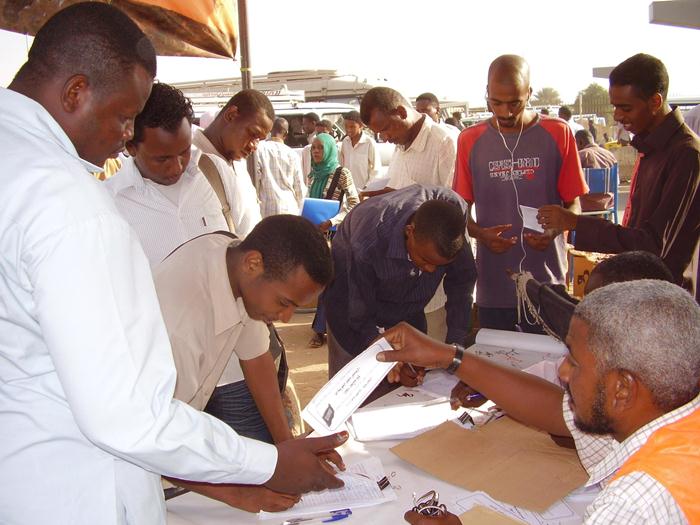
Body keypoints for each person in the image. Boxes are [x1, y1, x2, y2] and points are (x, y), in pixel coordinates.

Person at [0, 4, 346, 524]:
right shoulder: (71, 203)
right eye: (124, 117)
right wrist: (267, 465)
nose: (126, 136)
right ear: (75, 92)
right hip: (76, 490)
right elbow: (128, 415)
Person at [379, 279, 700, 525]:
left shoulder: (634, 505)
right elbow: (553, 409)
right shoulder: (667, 416)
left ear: (623, 389)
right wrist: (449, 356)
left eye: (574, 362)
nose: (562, 371)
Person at [156, 217, 336, 512]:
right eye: (284, 303)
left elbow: (256, 357)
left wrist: (288, 449)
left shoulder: (233, 263)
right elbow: (155, 434)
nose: (287, 318)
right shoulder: (180, 325)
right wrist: (242, 495)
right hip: (125, 462)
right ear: (253, 264)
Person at [538, 54, 700, 288]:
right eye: (615, 107)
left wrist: (575, 223)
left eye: (626, 108)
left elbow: (653, 245)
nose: (617, 116)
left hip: (664, 296)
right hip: (638, 288)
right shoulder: (651, 147)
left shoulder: (686, 154)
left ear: (655, 101)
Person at [453, 54, 587, 333]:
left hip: (547, 284)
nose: (505, 112)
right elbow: (460, 212)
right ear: (487, 93)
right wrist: (481, 235)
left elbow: (574, 206)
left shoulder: (558, 132)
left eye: (515, 102)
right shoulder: (469, 139)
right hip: (494, 287)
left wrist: (554, 231)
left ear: (529, 93)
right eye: (496, 102)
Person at [322, 185, 477, 378]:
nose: (431, 270)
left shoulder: (451, 218)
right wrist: (386, 357)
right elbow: (359, 314)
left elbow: (462, 281)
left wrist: (455, 345)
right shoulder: (368, 241)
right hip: (350, 307)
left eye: (440, 265)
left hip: (408, 308)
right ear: (409, 231)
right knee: (357, 380)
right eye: (425, 260)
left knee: (412, 379)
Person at [106, 82, 227, 267]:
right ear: (130, 147)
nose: (177, 168)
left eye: (184, 152)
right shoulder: (110, 202)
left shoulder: (215, 172)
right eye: (163, 159)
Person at [193, 89, 271, 238]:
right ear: (231, 115)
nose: (254, 146)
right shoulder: (191, 163)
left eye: (259, 140)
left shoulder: (238, 162)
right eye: (253, 134)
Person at [306, 132, 360, 348]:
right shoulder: (313, 174)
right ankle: (323, 327)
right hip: (316, 236)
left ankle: (321, 329)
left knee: (332, 281)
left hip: (336, 237)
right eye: (314, 148)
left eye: (320, 148)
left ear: (329, 149)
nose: (316, 151)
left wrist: (332, 221)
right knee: (320, 281)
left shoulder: (342, 173)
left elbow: (354, 203)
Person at [359, 87, 457, 197]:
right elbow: (395, 183)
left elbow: (454, 201)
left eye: (385, 129)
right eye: (379, 133)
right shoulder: (400, 141)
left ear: (402, 113)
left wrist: (403, 197)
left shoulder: (445, 142)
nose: (385, 138)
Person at [254, 117, 306, 217]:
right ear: (286, 134)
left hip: (266, 211)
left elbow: (255, 183)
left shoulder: (258, 149)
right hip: (289, 209)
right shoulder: (292, 154)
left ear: (270, 131)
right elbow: (299, 188)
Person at [339, 110, 382, 190]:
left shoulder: (369, 143)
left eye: (352, 127)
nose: (348, 129)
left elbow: (376, 170)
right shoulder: (345, 142)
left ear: (361, 126)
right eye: (346, 126)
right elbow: (342, 165)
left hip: (363, 189)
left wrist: (367, 188)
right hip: (348, 190)